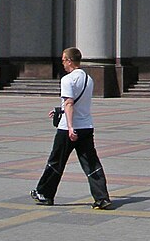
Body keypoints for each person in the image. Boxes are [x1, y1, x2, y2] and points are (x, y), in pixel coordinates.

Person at [32, 47, 112, 209]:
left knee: (56, 161)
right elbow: (76, 103)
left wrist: (69, 127)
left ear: (69, 60)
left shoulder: (67, 80)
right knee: (91, 163)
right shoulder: (88, 79)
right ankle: (102, 198)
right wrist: (59, 110)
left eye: (63, 60)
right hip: (86, 126)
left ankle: (45, 193)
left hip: (68, 129)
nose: (62, 63)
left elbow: (69, 103)